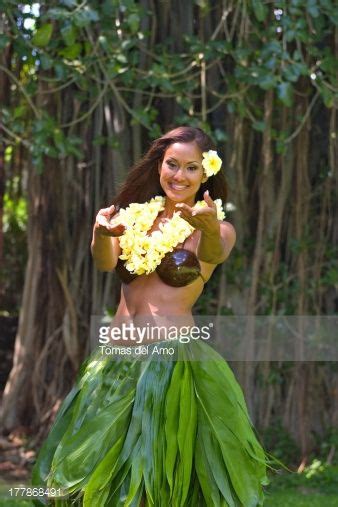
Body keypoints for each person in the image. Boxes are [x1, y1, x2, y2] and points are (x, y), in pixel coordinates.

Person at [32, 127, 271, 506]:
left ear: (206, 173)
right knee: (94, 482)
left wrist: (207, 227)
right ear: (159, 165)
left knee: (152, 482)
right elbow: (105, 261)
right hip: (115, 363)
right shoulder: (136, 219)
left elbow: (217, 250)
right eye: (172, 164)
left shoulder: (217, 227)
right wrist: (101, 233)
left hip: (168, 367)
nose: (179, 175)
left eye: (191, 168)